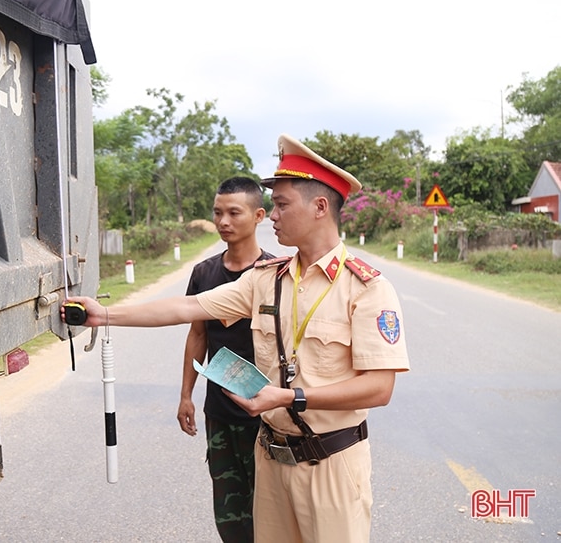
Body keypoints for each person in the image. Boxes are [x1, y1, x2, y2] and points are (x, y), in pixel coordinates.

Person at [64, 133, 410, 543]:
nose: (274, 216)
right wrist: (103, 314)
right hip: (271, 460)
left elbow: (379, 387)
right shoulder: (266, 280)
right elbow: (186, 309)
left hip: (330, 465)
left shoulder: (366, 288)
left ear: (320, 207)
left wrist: (288, 398)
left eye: (281, 205)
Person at [178, 176, 274, 543]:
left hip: (266, 414)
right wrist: (187, 395)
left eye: (234, 212)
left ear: (259, 215)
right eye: (218, 212)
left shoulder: (274, 274)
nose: (223, 222)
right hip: (219, 410)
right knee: (229, 511)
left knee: (270, 508)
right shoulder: (204, 273)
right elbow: (198, 334)